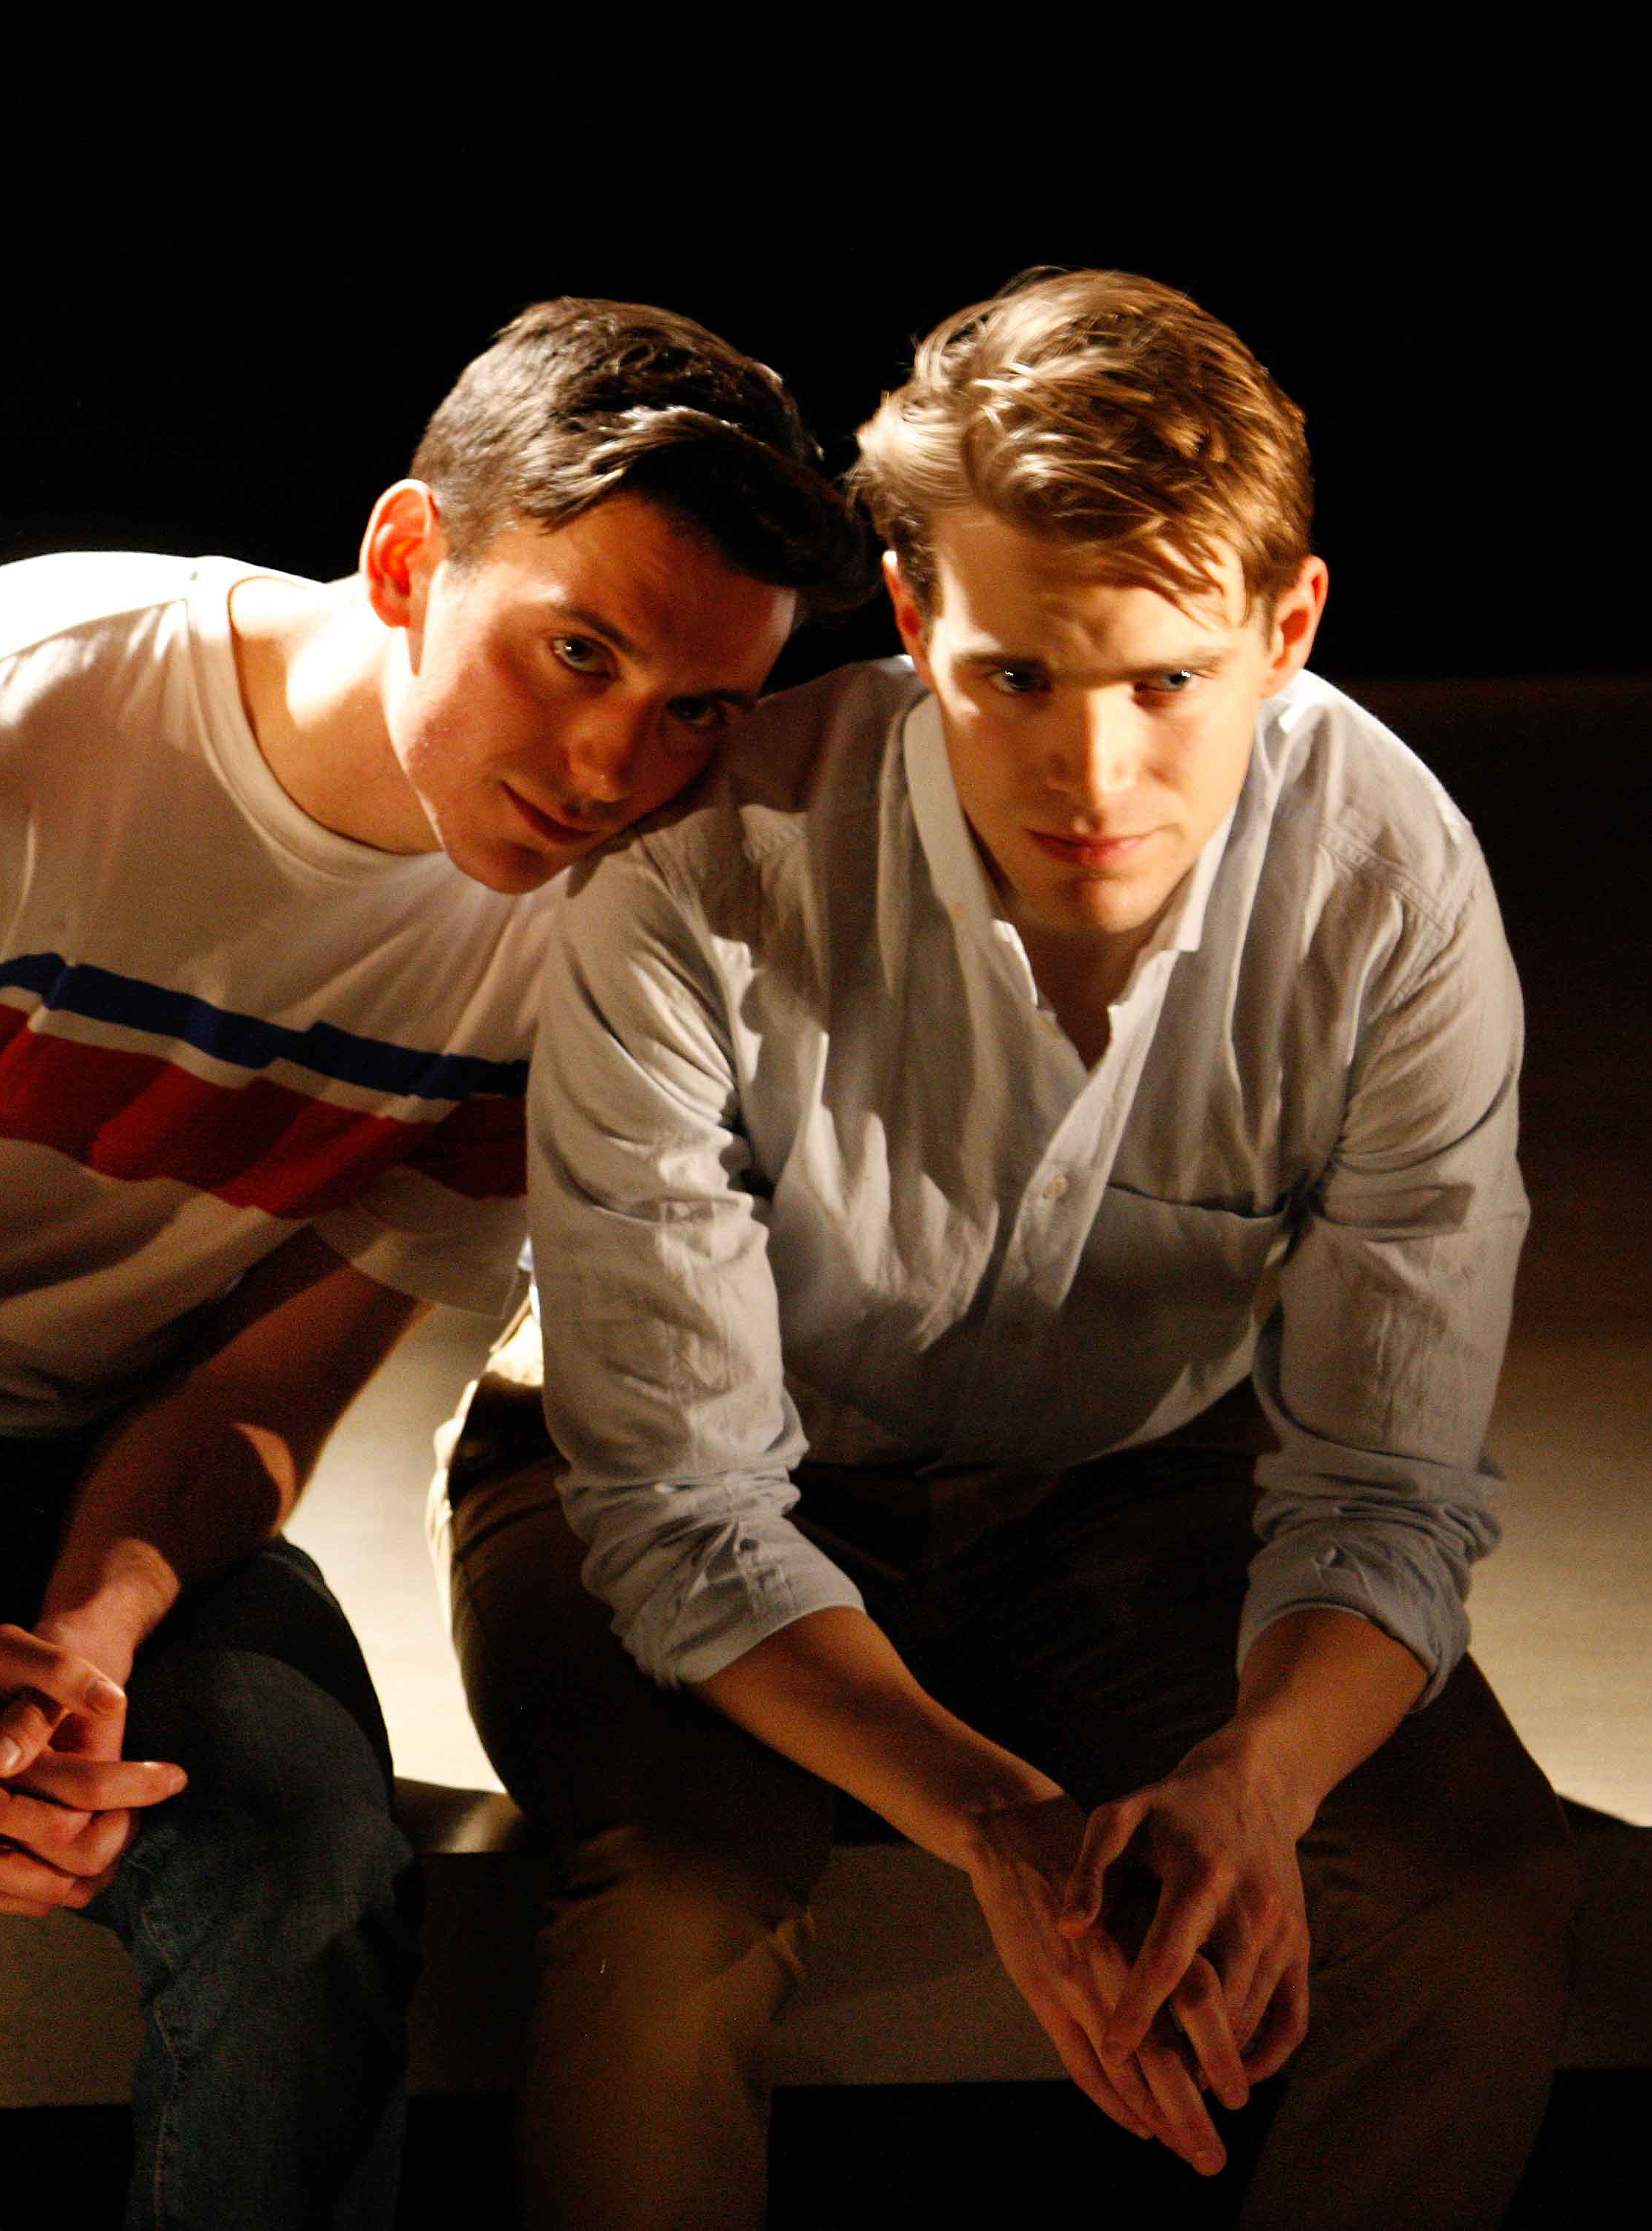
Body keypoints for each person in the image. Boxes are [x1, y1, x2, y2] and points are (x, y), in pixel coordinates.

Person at [0, 297, 859, 2227]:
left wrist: (100, 1623)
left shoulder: (611, 932)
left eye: (696, 706)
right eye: (575, 652)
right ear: (401, 560)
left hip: (82, 1459)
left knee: (311, 1874)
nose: (618, 762)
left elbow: (258, 1390)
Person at [447, 269, 1582, 2230]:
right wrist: (998, 1819)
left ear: (1285, 626)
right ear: (908, 621)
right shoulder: (700, 873)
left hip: (1129, 1482)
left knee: (1474, 1895)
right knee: (677, 1921)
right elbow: (677, 1502)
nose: (1089, 777)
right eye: (1013, 681)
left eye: (1164, 682)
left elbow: (1385, 1480)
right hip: (652, 1482)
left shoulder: (1389, 886)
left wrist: (1258, 1778)